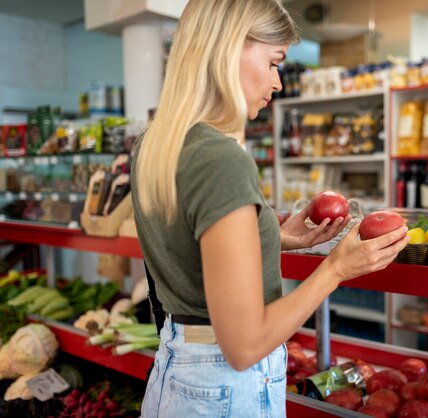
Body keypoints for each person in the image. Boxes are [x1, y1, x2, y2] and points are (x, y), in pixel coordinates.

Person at [130, 0, 409, 416]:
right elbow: (243, 345)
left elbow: (188, 250)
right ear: (228, 49)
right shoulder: (220, 158)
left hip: (179, 370)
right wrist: (335, 270)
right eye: (274, 61)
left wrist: (271, 236)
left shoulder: (154, 144)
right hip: (223, 386)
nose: (278, 82)